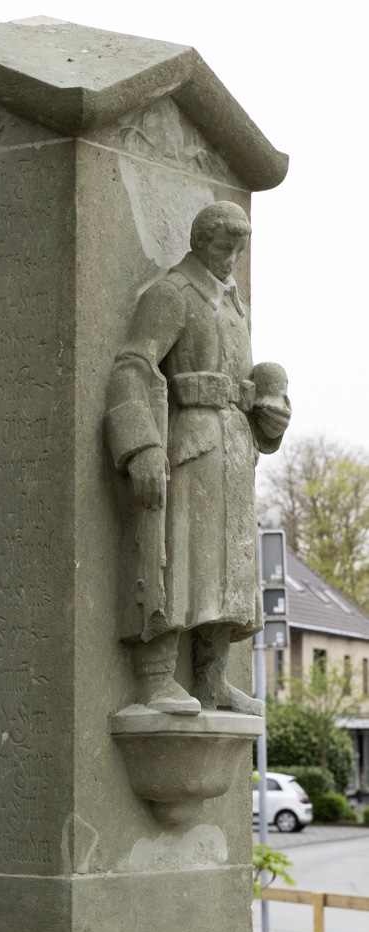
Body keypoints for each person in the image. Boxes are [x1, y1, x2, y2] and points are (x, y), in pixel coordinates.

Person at [106, 201, 290, 715]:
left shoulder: (233, 306)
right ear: (200, 241)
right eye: (224, 247)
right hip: (191, 443)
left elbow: (246, 381)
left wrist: (268, 416)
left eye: (239, 249)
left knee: (227, 573)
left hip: (234, 448)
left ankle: (210, 678)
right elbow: (131, 365)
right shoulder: (173, 294)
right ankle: (157, 677)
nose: (233, 258)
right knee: (181, 561)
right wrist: (140, 444)